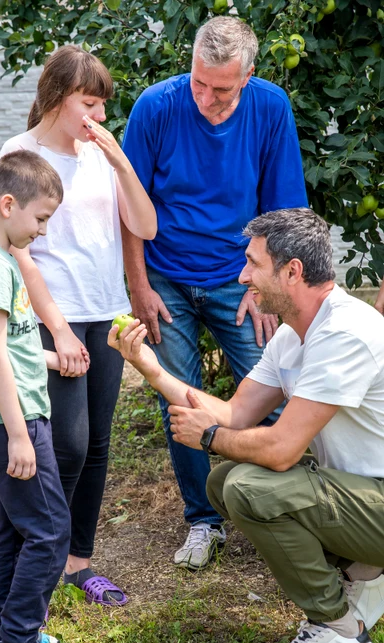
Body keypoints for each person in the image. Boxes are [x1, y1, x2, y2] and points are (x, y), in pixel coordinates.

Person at [109, 207, 384, 643]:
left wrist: (210, 437)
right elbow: (236, 413)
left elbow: (280, 449)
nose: (242, 276)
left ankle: (339, 631)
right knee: (225, 480)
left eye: (254, 263)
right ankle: (366, 571)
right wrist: (151, 369)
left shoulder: (345, 333)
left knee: (250, 489)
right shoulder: (294, 336)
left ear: (292, 270)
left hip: (374, 498)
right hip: (361, 494)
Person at [121, 16, 308, 570]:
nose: (206, 97)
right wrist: (139, 285)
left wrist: (265, 288)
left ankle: (287, 513)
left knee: (273, 394)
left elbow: (284, 210)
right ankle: (204, 522)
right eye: (198, 82)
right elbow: (129, 208)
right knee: (178, 399)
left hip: (241, 279)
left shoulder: (271, 107)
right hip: (166, 279)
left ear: (247, 76)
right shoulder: (155, 106)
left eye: (221, 88)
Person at [0, 45, 157, 605]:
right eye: (90, 103)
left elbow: (146, 224)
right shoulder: (19, 152)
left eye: (103, 106)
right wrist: (57, 328)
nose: (100, 116)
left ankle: (76, 561)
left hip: (106, 313)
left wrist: (120, 161)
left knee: (96, 445)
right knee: (63, 441)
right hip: (53, 317)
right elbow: (17, 252)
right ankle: (34, 548)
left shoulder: (101, 154)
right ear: (59, 98)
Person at [0, 150, 86, 643]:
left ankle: (7, 632)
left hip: (11, 416)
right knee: (52, 531)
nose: (43, 231)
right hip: (11, 420)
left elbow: (12, 344)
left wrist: (56, 358)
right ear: (8, 205)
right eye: (41, 219)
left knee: (16, 524)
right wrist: (18, 436)